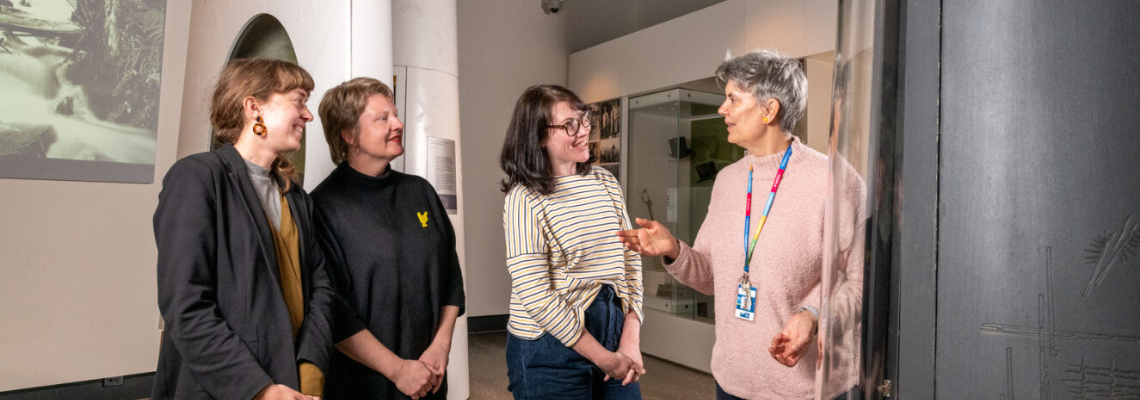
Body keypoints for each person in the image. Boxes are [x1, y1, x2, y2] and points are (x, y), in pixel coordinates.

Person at [616, 49, 866, 400]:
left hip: (811, 390)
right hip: (732, 383)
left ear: (769, 109)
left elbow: (860, 284)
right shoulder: (729, 180)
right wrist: (673, 250)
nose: (722, 109)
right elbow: (709, 277)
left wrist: (813, 317)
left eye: (732, 99)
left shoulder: (837, 182)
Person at [153, 59, 402, 400]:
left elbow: (320, 291)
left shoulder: (296, 197)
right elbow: (186, 308)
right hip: (223, 388)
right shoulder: (197, 179)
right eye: (298, 101)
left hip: (294, 383)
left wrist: (310, 370)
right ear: (253, 107)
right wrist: (261, 391)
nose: (308, 115)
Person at [310, 77, 465, 400]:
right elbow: (332, 312)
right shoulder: (322, 207)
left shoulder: (419, 191)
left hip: (429, 378)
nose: (399, 123)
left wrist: (440, 348)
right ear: (349, 134)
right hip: (365, 387)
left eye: (395, 114)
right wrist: (398, 370)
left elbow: (450, 277)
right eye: (383, 118)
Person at [499, 84, 646, 400]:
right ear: (539, 136)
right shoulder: (524, 198)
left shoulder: (605, 181)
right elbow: (536, 295)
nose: (584, 132)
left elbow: (630, 262)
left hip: (614, 333)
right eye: (570, 125)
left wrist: (630, 338)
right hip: (549, 349)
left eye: (585, 119)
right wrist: (602, 357)